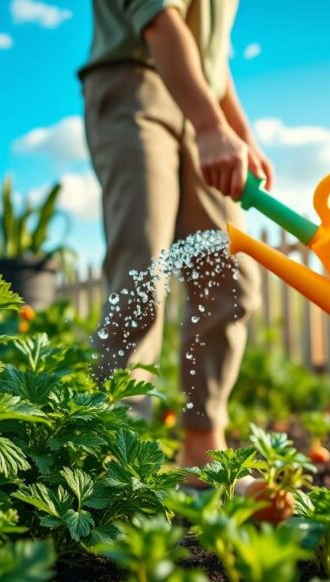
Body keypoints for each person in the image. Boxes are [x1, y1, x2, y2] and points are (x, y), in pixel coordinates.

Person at [80, 0, 269, 470]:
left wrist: (237, 132)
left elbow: (212, 56)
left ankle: (202, 447)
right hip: (135, 85)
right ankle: (115, 457)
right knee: (143, 270)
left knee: (230, 271)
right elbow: (160, 20)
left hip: (199, 94)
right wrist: (211, 123)